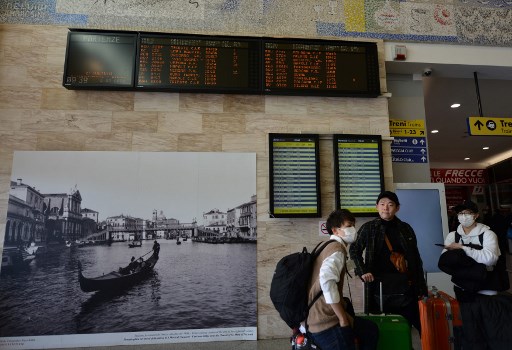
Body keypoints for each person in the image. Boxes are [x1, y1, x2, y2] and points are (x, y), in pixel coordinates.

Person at [349, 191, 427, 334]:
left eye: (390, 205)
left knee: (412, 324)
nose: (386, 208)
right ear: (376, 207)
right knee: (381, 325)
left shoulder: (406, 228)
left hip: (404, 285)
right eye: (382, 204)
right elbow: (354, 250)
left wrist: (421, 287)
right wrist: (363, 270)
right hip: (377, 286)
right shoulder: (369, 228)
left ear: (397, 208)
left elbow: (415, 258)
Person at [440, 200, 512, 350]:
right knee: (470, 332)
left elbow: (490, 258)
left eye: (467, 213)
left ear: (476, 215)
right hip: (462, 290)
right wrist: (472, 256)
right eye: (460, 213)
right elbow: (445, 260)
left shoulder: (488, 234)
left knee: (492, 330)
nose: (463, 216)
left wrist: (462, 249)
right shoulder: (453, 235)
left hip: (487, 291)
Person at [307, 209, 379, 350]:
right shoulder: (337, 249)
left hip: (313, 317)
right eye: (348, 226)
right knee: (370, 331)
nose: (353, 229)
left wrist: (361, 271)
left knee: (370, 329)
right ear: (335, 230)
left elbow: (337, 268)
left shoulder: (325, 246)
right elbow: (327, 281)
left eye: (353, 225)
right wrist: (342, 318)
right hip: (325, 321)